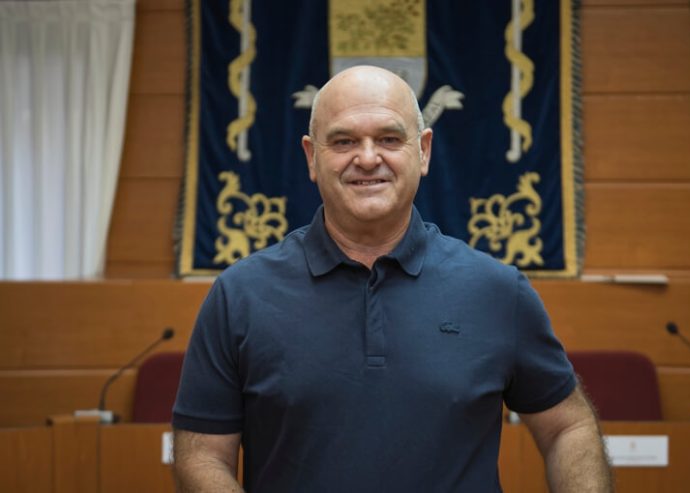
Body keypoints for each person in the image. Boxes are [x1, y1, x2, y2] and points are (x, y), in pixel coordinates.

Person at [172, 65, 612, 492]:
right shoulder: (241, 294)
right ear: (311, 157)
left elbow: (568, 427)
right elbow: (201, 455)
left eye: (388, 138)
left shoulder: (496, 290)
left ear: (423, 151)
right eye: (344, 141)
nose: (367, 158)